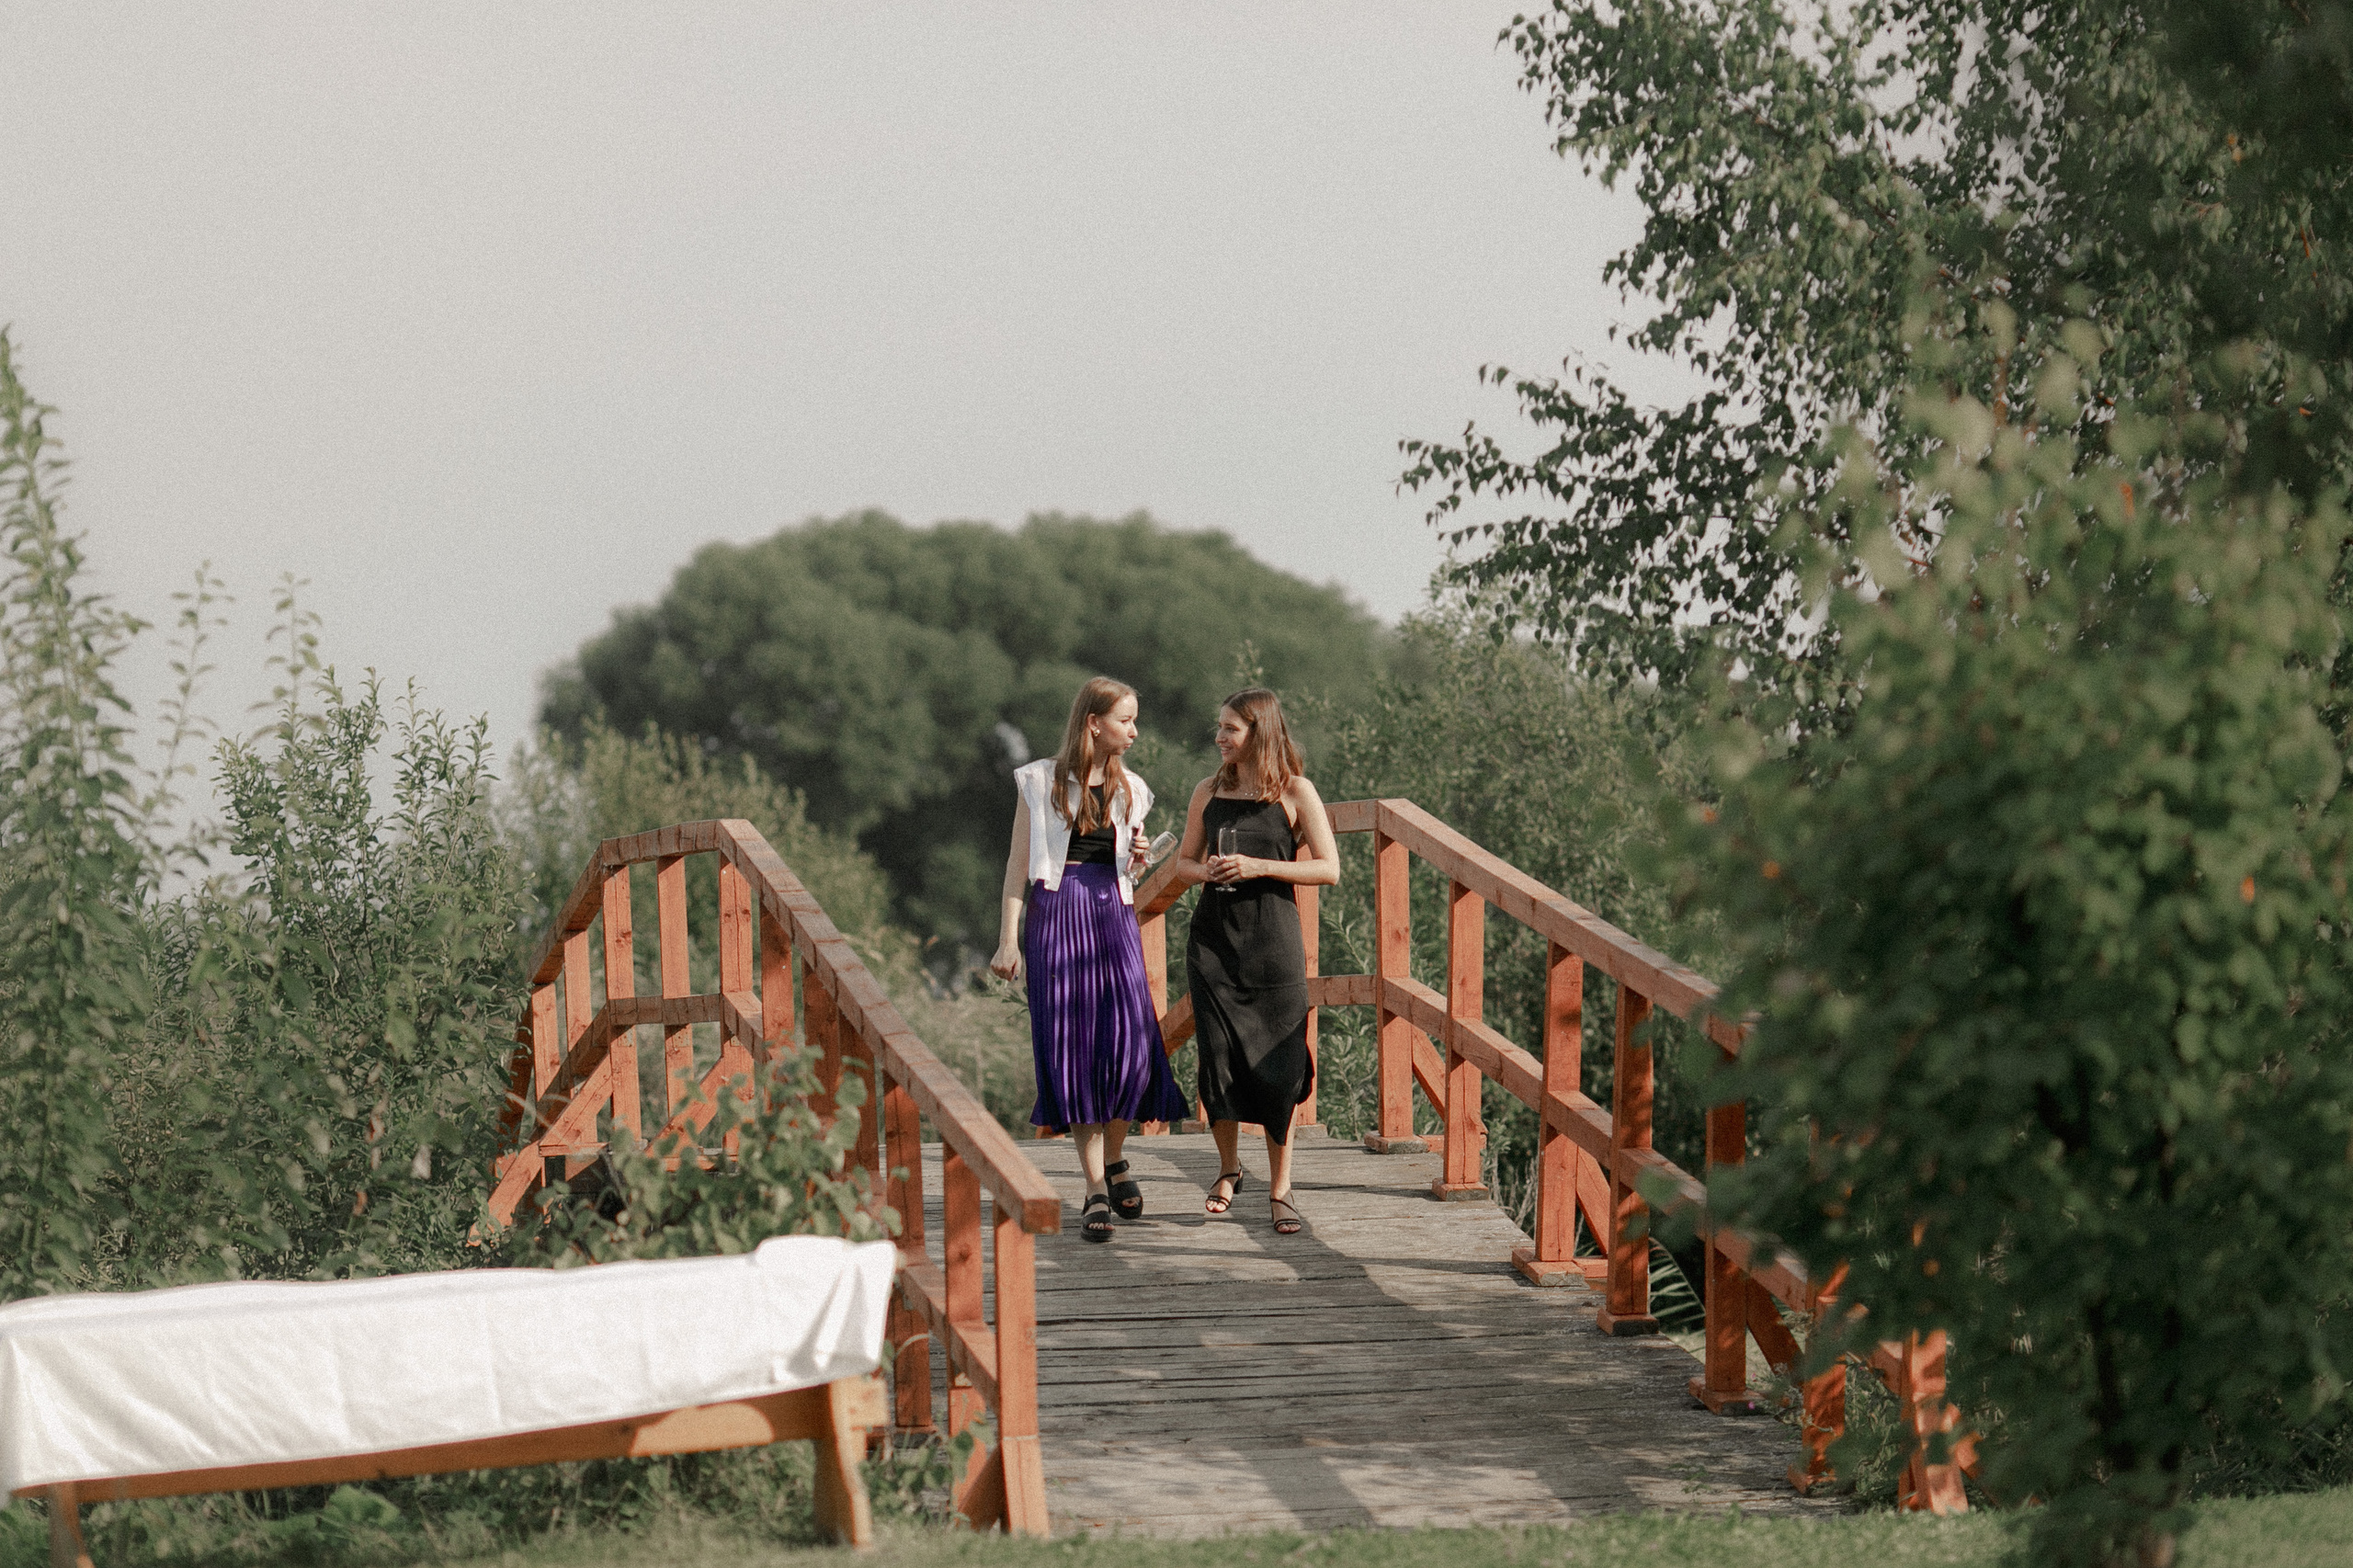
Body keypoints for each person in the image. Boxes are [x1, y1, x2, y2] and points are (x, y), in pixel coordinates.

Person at [990, 676, 1189, 1243]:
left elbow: (1129, 872)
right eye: (1125, 719)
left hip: (1113, 917)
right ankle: (1094, 1185)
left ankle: (1116, 1157)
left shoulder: (1136, 790)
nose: (1134, 730)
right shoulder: (1037, 781)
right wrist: (1009, 940)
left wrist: (1138, 859)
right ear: (1094, 722)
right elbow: (1016, 866)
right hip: (1058, 918)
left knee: (1130, 1045)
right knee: (1075, 1049)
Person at [1169, 687, 1339, 1236]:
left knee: (1280, 1064)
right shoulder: (1208, 790)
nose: (1219, 737)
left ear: (1259, 732)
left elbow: (1329, 869)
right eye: (1218, 727)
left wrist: (1259, 867)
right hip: (1214, 944)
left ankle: (1281, 1188)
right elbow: (1182, 863)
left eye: (1230, 729)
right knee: (1216, 1062)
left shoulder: (1296, 791)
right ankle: (1226, 1170)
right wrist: (1211, 871)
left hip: (1274, 948)